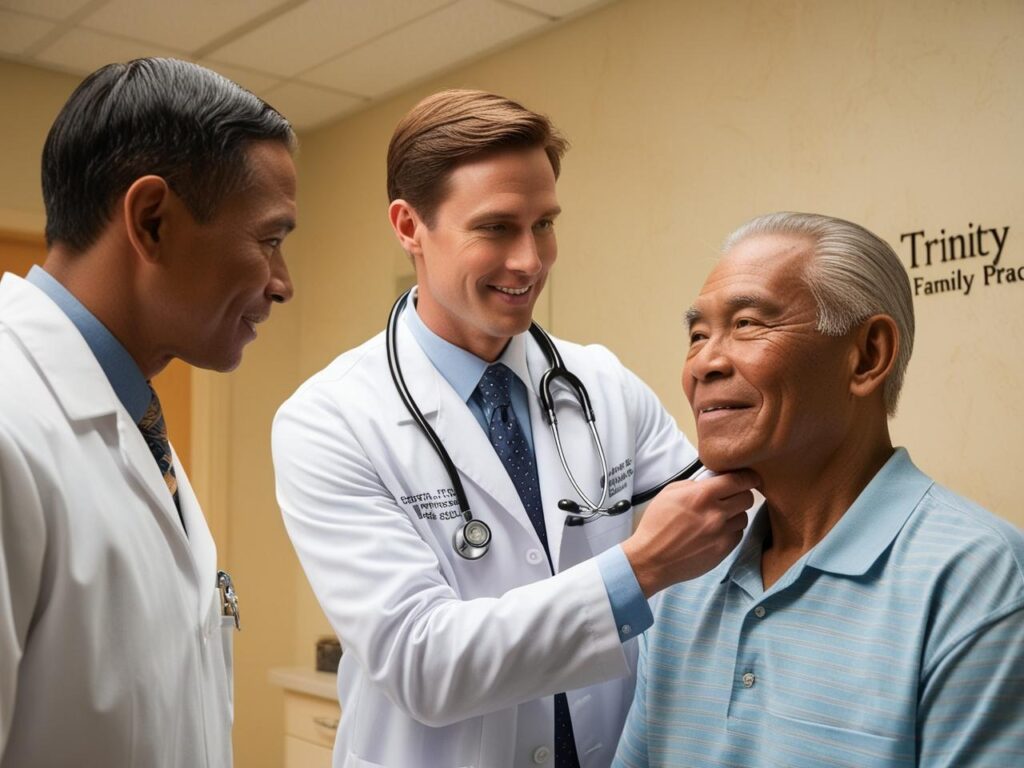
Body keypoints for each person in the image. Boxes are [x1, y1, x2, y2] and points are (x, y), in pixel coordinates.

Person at [272, 89, 757, 768]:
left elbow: (722, 539)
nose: (530, 261)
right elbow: (423, 663)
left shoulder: (603, 387)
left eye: (545, 224)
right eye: (497, 228)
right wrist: (638, 569)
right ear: (410, 226)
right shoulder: (329, 421)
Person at [613, 212, 1024, 767]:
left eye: (748, 324)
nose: (704, 363)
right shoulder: (684, 573)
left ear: (868, 356)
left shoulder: (978, 578)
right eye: (697, 335)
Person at [0, 58, 296, 767]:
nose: (283, 285)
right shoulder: (12, 423)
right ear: (152, 220)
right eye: (271, 239)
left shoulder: (130, 423)